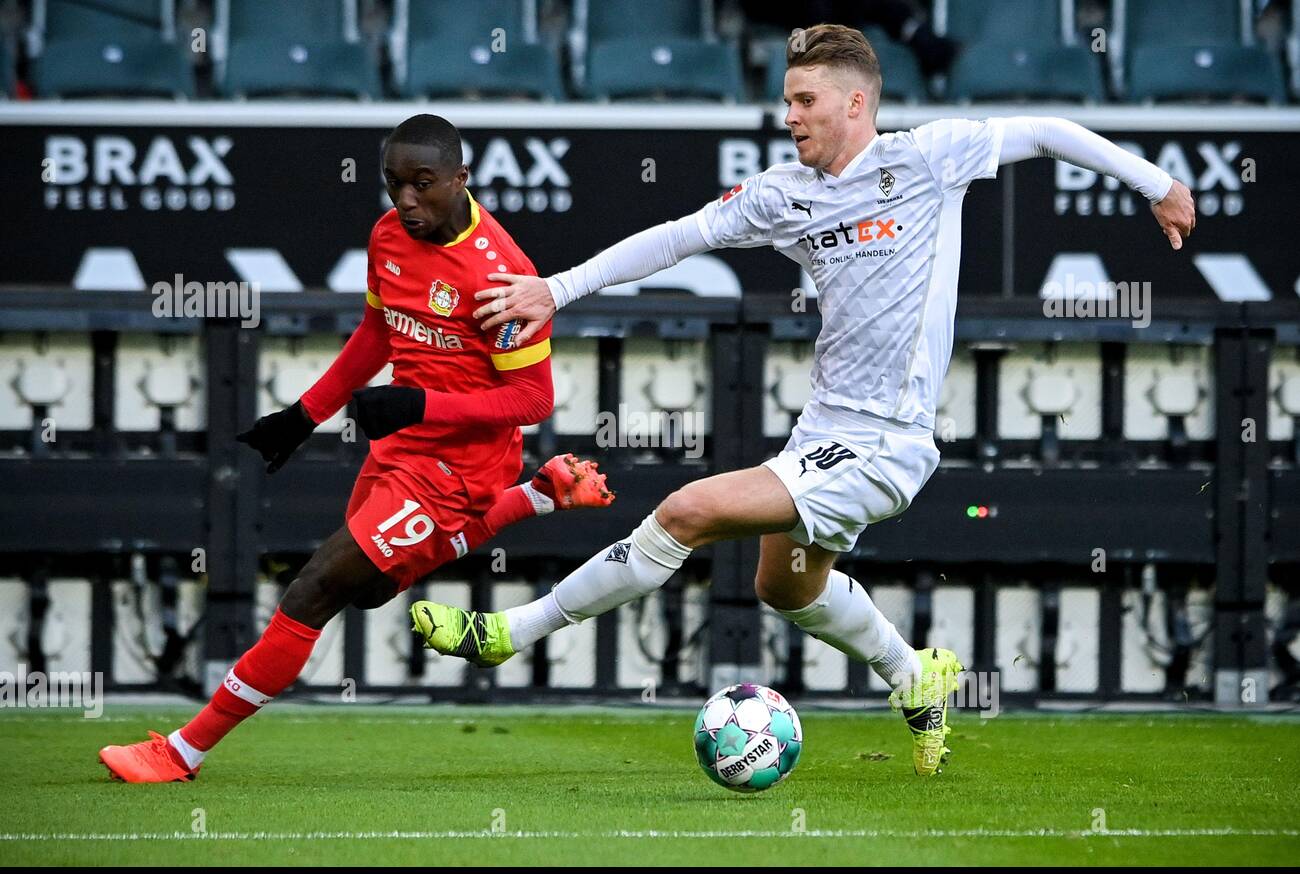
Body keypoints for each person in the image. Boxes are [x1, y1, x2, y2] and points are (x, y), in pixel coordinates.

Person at [410, 25, 1196, 776]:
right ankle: (915, 674)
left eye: (805, 101)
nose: (789, 117)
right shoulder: (782, 193)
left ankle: (508, 632)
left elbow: (1050, 129)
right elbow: (678, 237)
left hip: (889, 439)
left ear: (856, 103)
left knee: (687, 510)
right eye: (786, 102)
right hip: (822, 434)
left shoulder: (928, 160)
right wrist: (559, 288)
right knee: (783, 586)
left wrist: (1157, 184)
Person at [99, 114, 613, 783]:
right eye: (393, 183)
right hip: (399, 451)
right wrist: (302, 415)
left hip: (455, 471)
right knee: (365, 592)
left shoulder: (502, 274)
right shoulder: (388, 236)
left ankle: (181, 751)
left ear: (462, 178)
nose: (405, 200)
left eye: (422, 184)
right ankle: (535, 497)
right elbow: (377, 331)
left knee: (312, 590)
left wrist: (420, 404)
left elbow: (532, 401)